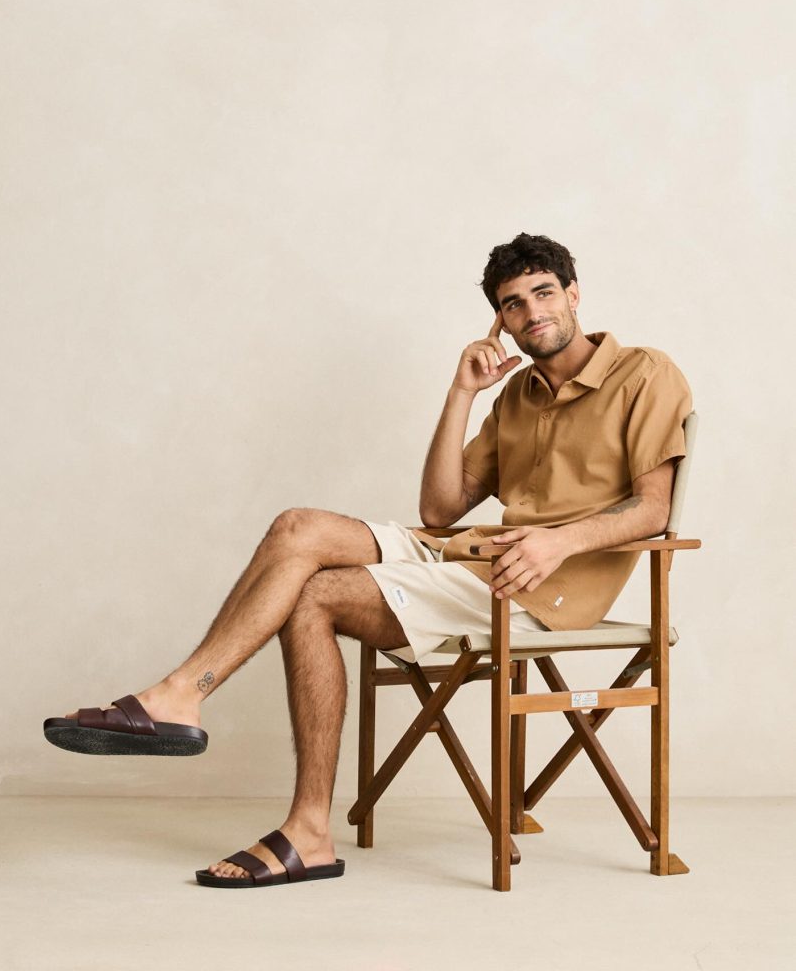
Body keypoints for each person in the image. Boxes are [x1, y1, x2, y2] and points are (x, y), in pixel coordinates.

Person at [44, 231, 691, 888]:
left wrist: (558, 540)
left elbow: (653, 509)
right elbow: (440, 508)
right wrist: (462, 392)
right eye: (512, 304)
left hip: (542, 589)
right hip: (472, 557)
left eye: (543, 293)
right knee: (297, 528)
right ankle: (180, 695)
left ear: (573, 294)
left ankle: (307, 830)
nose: (532, 313)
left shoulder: (644, 373)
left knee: (314, 596)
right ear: (500, 320)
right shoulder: (517, 396)